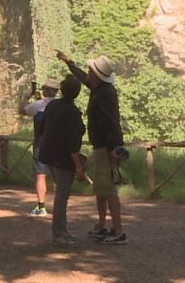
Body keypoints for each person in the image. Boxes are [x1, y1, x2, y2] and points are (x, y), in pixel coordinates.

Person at [57, 51, 127, 245]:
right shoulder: (99, 89)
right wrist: (69, 63)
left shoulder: (105, 94)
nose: (88, 72)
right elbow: (84, 78)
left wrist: (115, 147)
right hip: (101, 145)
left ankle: (118, 231)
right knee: (101, 189)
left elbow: (113, 122)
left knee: (109, 190)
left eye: (91, 70)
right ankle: (103, 225)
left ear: (97, 74)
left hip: (106, 147)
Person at [38, 75, 86, 246]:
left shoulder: (52, 106)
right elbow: (73, 143)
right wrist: (78, 167)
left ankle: (62, 231)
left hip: (48, 155)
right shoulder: (72, 112)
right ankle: (58, 233)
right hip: (63, 159)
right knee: (61, 196)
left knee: (60, 194)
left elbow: (43, 128)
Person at [18, 78, 60, 216]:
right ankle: (60, 205)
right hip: (57, 143)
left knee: (40, 175)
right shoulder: (61, 105)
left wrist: (27, 96)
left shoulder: (38, 105)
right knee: (58, 175)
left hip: (41, 143)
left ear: (45, 90)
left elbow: (22, 110)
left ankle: (41, 206)